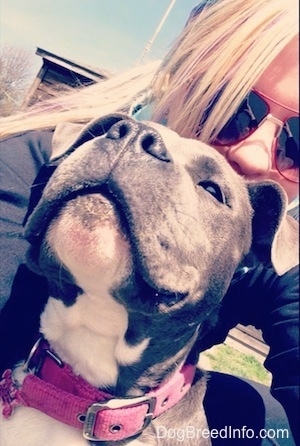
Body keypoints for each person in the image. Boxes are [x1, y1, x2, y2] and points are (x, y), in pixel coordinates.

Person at [0, 0, 299, 444]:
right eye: (234, 105)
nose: (253, 154)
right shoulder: (33, 164)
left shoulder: (269, 252)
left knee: (252, 413)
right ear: (174, 81)